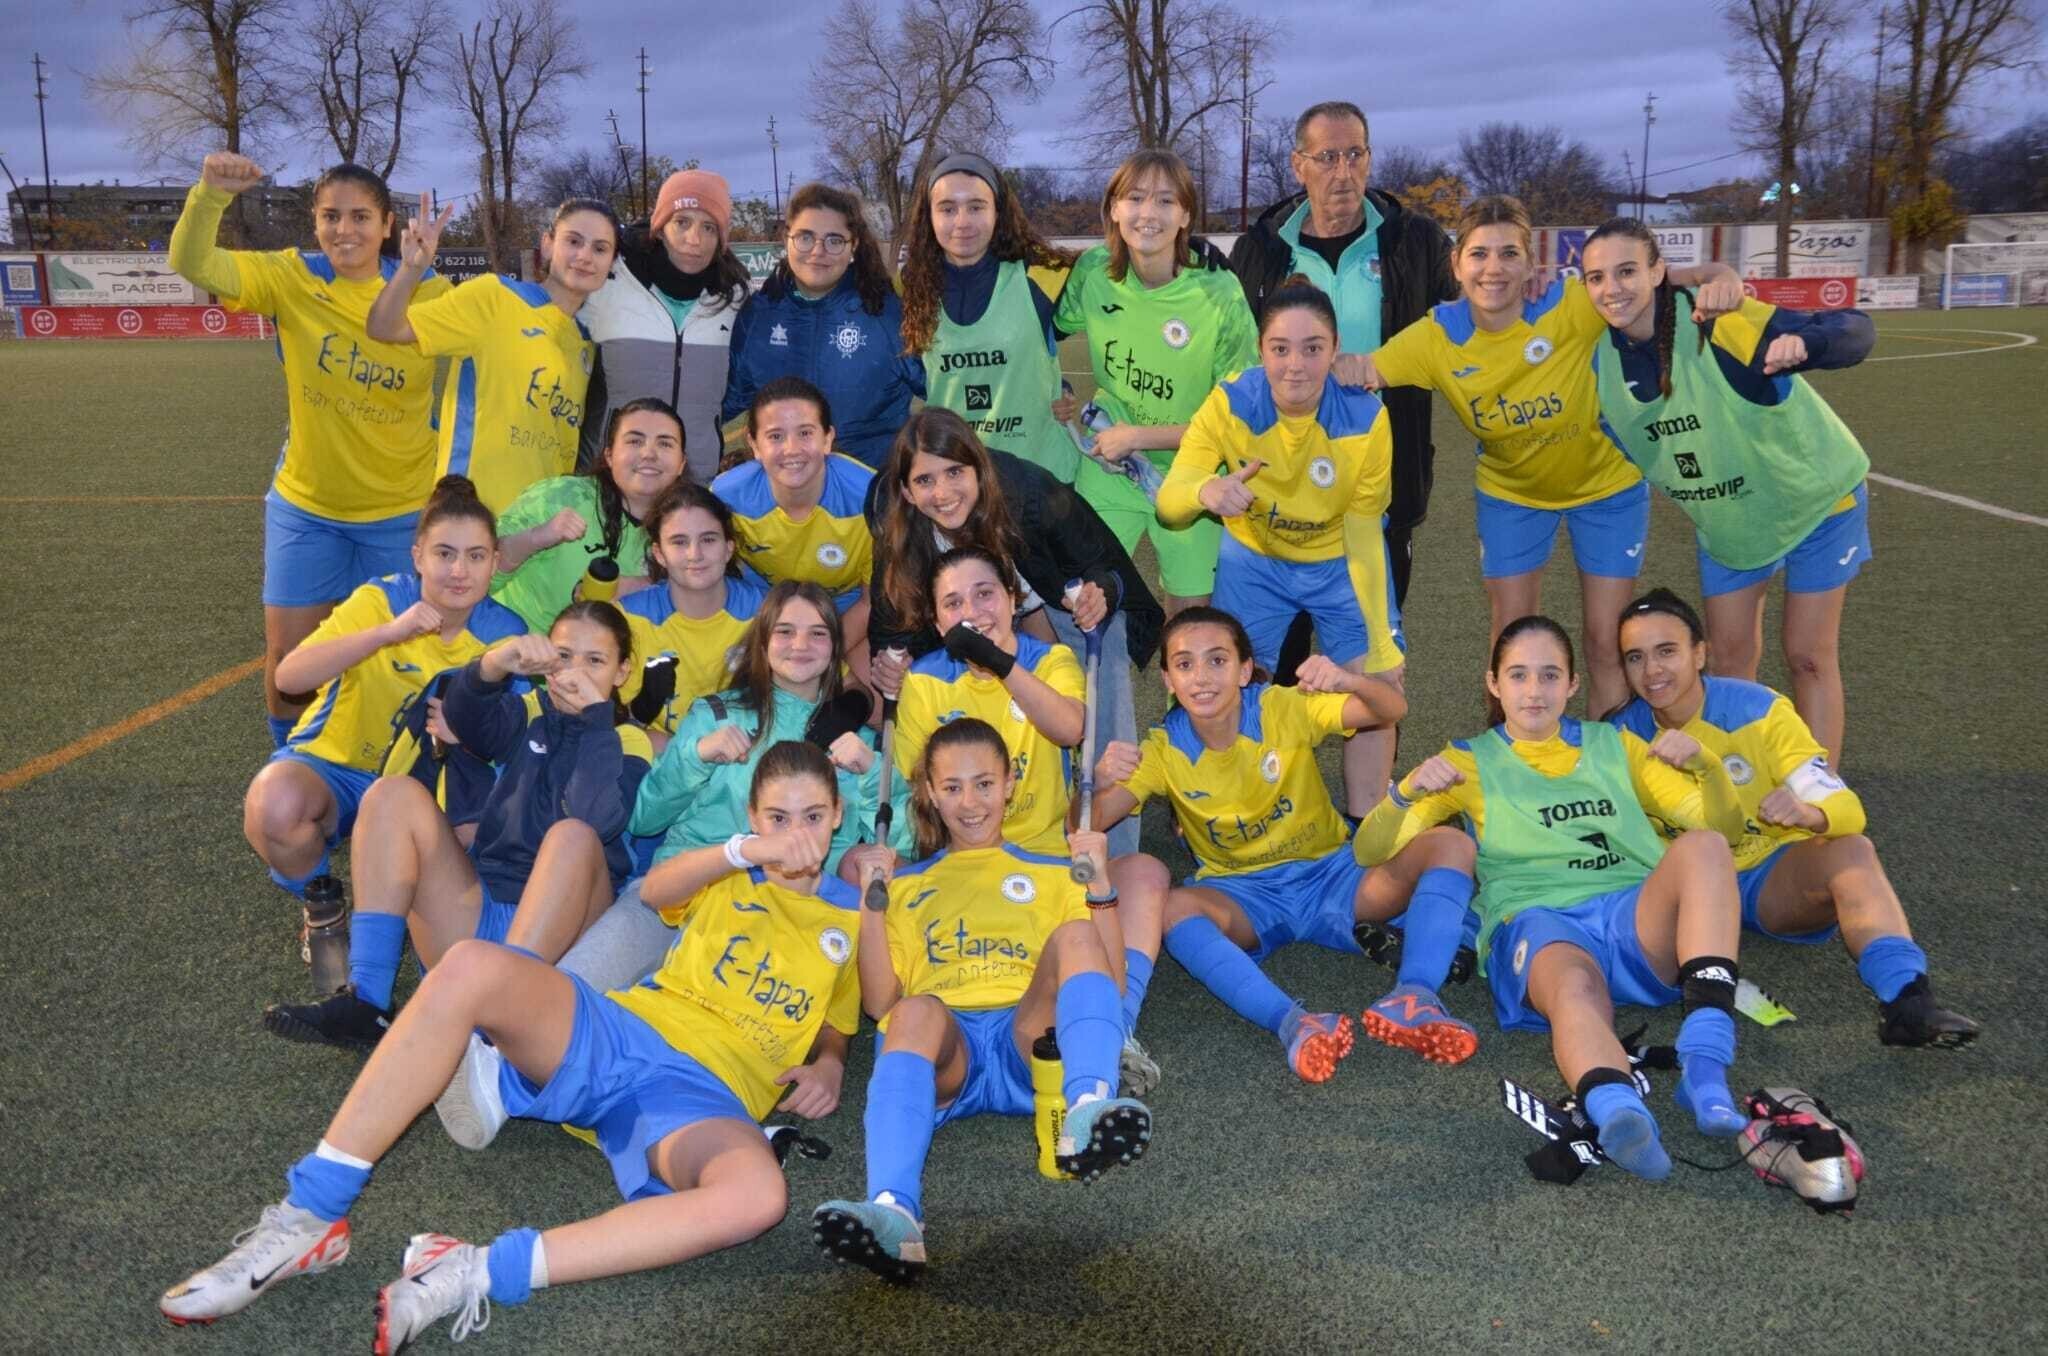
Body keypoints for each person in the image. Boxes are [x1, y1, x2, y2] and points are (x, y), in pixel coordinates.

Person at [160, 742, 861, 1349]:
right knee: (469, 966)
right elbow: (656, 890)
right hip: (625, 1031)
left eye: (810, 817)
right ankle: (311, 1214)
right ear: (752, 818)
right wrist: (745, 853)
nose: (794, 834)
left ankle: (472, 1268)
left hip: (702, 1098)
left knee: (758, 1197)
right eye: (776, 817)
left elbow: (852, 1011)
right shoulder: (729, 874)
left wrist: (831, 1059)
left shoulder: (855, 919)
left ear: (837, 817)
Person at [1353, 616, 1752, 1180]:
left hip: (1633, 917)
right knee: (1573, 990)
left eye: (1549, 675)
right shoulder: (1467, 761)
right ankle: (1618, 1110)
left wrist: (1707, 768)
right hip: (1540, 919)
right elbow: (1369, 850)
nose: (1534, 691)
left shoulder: (1614, 744)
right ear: (1493, 684)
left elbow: (1725, 830)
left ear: (1572, 684)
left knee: (1705, 847)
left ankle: (1705, 1066)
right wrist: (1404, 792)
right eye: (1518, 675)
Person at [1359, 196, 1742, 717]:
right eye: (1478, 255)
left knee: (1606, 640)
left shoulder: (1574, 304)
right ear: (1456, 264)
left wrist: (1722, 276)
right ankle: (1509, 757)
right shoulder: (1436, 337)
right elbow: (1363, 370)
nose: (1493, 269)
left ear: (1531, 264)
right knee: (1512, 642)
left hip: (1607, 490)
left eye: (1509, 254)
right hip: (1512, 497)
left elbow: (1671, 279)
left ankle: (1610, 754)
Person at [811, 718, 1151, 1280]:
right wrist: (872, 906)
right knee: (911, 1009)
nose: (970, 803)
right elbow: (879, 1004)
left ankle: (1088, 1107)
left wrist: (1099, 887)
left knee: (1075, 934)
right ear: (929, 792)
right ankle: (894, 1213)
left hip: (1030, 1039)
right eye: (952, 787)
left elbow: (1110, 985)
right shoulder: (907, 886)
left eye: (985, 784)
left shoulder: (1054, 871)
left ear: (1010, 782)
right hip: (952, 1051)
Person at [1089, 608, 1477, 1080]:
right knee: (1174, 910)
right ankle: (1294, 1023)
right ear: (1169, 680)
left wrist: (1347, 680)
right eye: (1185, 664)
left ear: (1245, 670)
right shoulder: (1161, 751)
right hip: (1244, 897)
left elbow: (1390, 709)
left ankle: (1414, 995)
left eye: (1217, 660)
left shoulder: (1282, 707)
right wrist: (1097, 780)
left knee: (1450, 844)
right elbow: (1084, 825)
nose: (1202, 677)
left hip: (1334, 876)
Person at [262, 600, 653, 1048]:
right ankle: (367, 1002)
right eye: (563, 656)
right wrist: (494, 664)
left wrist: (594, 721)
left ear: (622, 672)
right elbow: (466, 718)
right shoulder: (529, 712)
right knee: (390, 795)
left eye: (595, 661)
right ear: (545, 658)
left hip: (565, 934)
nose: (575, 673)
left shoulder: (626, 740)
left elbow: (594, 816)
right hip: (482, 911)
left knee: (573, 837)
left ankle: (501, 1008)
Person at [169, 152, 454, 748]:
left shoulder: (429, 290)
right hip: (309, 510)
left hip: (401, 514)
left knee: (397, 664)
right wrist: (210, 195)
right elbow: (192, 262)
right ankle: (289, 764)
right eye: (330, 216)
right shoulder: (291, 277)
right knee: (289, 664)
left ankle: (381, 774)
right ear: (315, 221)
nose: (344, 230)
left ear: (387, 225)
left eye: (360, 217)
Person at [1611, 588, 1978, 1047]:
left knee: (1851, 850)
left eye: (1667, 651)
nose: (1652, 670)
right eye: (1636, 657)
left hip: (1769, 881)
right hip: (1688, 893)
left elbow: (1849, 810)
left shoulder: (1759, 710)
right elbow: (1707, 833)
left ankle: (1908, 1001)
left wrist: (1812, 813)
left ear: (1700, 653)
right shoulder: (1620, 737)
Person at [1583, 219, 1877, 765]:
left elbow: (1856, 330)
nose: (1611, 289)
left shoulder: (1716, 320)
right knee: (1727, 666)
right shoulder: (1600, 360)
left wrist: (1806, 342)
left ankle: (1821, 797)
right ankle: (1744, 782)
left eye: (1626, 271)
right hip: (1731, 523)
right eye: (1596, 277)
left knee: (1808, 656)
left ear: (1657, 271)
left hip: (1816, 503)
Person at [555, 581, 879, 996]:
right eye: (784, 631)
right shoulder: (717, 713)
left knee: (674, 1028)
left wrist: (872, 772)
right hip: (680, 895)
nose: (800, 644)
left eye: (817, 633)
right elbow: (643, 819)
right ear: (762, 642)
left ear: (835, 649)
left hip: (769, 925)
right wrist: (696, 757)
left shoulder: (856, 746)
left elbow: (903, 848)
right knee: (568, 992)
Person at [865, 407, 1163, 856]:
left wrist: (1100, 592)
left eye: (954, 472)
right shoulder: (895, 525)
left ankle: (1113, 854)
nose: (942, 493)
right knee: (939, 691)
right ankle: (959, 841)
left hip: (1053, 599)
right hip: (972, 610)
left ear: (979, 468)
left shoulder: (1031, 493)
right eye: (925, 481)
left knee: (1101, 689)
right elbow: (891, 622)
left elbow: (1104, 565)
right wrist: (892, 660)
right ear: (906, 491)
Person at [1161, 275, 1404, 814]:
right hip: (1254, 563)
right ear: (1260, 350)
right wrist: (1206, 490)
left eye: (1312, 348)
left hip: (1339, 564)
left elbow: (1365, 530)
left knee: (1377, 681)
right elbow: (1171, 502)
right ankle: (1230, 809)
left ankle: (1365, 823)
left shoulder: (1366, 418)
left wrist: (1382, 646)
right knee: (1220, 680)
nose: (1295, 365)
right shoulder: (1231, 403)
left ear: (1335, 349)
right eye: (1280, 349)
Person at [243, 476, 524, 910]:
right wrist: (385, 634)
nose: (459, 571)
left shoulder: (503, 634)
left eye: (476, 556)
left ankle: (412, 909)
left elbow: (517, 738)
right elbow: (289, 679)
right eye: (444, 553)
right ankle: (322, 908)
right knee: (275, 805)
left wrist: (469, 731)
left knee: (480, 834)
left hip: (423, 786)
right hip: (337, 767)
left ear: (495, 562)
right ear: (417, 556)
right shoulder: (381, 601)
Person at [1228, 100, 1458, 609]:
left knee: (1371, 640)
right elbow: (1234, 350)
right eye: (1328, 157)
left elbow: (1465, 318)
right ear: (1299, 165)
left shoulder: (1415, 241)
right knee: (1282, 647)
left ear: (1369, 159)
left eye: (1355, 155)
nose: (1343, 171)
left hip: (1383, 475)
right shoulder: (1260, 249)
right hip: (1281, 482)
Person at [1054, 148, 1259, 613]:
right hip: (1109, 468)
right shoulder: (1092, 272)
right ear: (1114, 208)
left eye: (1166, 201)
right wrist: (1058, 389)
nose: (1148, 213)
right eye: (1135, 198)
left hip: (1194, 477)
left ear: (1185, 216)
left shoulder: (1219, 293)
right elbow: (1047, 331)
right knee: (1084, 606)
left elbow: (1240, 416)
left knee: (1191, 622)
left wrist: (1139, 436)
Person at [368, 196, 615, 515]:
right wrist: (411, 269)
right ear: (547, 244)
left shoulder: (587, 344)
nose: (585, 256)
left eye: (600, 248)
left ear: (611, 263)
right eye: (573, 241)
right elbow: (384, 327)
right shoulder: (494, 297)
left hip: (541, 528)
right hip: (470, 521)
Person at [888, 548, 1083, 859]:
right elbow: (914, 786)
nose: (972, 612)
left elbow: (1070, 730)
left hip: (1045, 851)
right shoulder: (924, 680)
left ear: (1012, 599)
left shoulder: (1051, 661)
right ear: (938, 625)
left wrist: (996, 661)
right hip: (961, 855)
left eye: (984, 594)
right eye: (953, 603)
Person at [899, 151, 1078, 480]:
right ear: (929, 216)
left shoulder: (1043, 274)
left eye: (976, 207)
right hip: (959, 484)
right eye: (947, 209)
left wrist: (1058, 387)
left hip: (1042, 480)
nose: (962, 222)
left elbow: (1120, 285)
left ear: (998, 210)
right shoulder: (910, 288)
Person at [721, 181, 925, 469]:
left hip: (870, 486)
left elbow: (941, 388)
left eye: (834, 240)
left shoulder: (885, 314)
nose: (818, 251)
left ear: (853, 245)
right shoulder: (758, 315)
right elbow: (723, 403)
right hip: (785, 486)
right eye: (805, 237)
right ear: (786, 238)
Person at [579, 170, 751, 481]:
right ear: (659, 228)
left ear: (721, 240)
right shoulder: (607, 284)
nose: (694, 239)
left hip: (695, 484)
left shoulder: (734, 300)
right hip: (613, 481)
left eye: (709, 227)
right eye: (682, 222)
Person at [712, 376, 877, 677]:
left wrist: (822, 657)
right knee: (731, 677)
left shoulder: (869, 500)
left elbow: (870, 603)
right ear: (754, 444)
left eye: (805, 433)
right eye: (775, 436)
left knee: (871, 691)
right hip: (764, 604)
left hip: (843, 607)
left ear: (827, 438)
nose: (791, 449)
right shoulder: (727, 497)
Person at [490, 398, 686, 632]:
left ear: (681, 463)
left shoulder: (690, 529)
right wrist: (535, 538)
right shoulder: (560, 497)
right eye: (635, 441)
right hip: (510, 645)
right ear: (609, 455)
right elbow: (476, 577)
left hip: (605, 654)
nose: (649, 453)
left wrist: (652, 588)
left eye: (665, 444)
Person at [614, 479, 770, 738]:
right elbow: (607, 727)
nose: (694, 554)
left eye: (708, 539)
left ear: (728, 548)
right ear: (659, 554)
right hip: (659, 754)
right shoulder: (628, 618)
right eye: (679, 542)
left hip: (746, 754)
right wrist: (642, 713)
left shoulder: (767, 612)